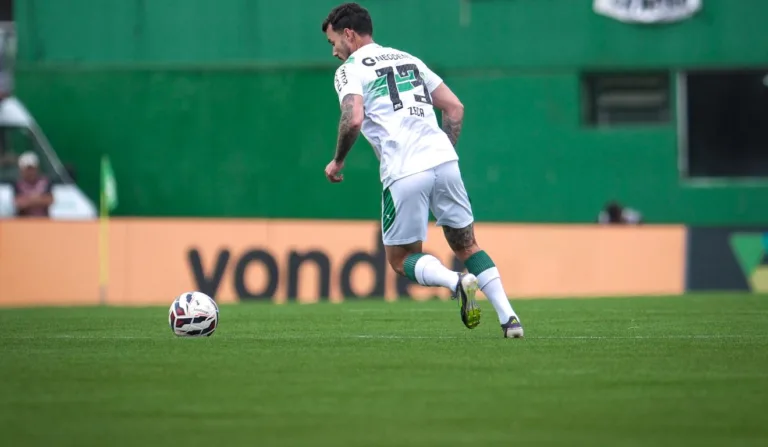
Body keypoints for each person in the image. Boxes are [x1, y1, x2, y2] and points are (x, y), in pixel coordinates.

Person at [320, 2, 523, 338]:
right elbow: (455, 108)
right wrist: (440, 152)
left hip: (404, 168)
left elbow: (353, 118)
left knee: (401, 259)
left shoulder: (349, 69)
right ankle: (510, 319)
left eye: (334, 43)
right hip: (444, 161)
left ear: (349, 34)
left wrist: (338, 159)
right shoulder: (407, 59)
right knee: (467, 245)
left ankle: (455, 282)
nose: (334, 52)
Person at [13, 151, 54, 217]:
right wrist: (38, 199)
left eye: (32, 169)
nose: (30, 172)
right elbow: (19, 203)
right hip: (23, 221)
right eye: (27, 169)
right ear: (22, 170)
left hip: (43, 220)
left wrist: (28, 200)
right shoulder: (18, 184)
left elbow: (49, 200)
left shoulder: (45, 182)